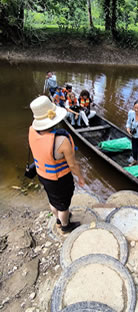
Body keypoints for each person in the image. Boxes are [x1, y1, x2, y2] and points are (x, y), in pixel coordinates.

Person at [28, 96, 85, 234]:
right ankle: (65, 225)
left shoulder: (32, 131)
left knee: (53, 200)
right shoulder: (61, 141)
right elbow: (72, 165)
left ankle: (59, 219)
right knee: (64, 206)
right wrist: (81, 178)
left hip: (42, 175)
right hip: (59, 179)